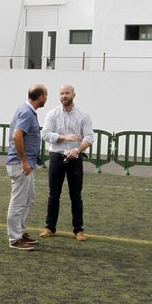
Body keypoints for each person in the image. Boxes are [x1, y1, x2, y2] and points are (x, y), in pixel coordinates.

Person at [40, 85, 94, 241]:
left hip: (75, 158)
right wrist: (64, 137)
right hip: (57, 157)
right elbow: (45, 134)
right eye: (61, 93)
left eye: (67, 93)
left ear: (74, 95)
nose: (64, 96)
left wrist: (76, 150)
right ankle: (50, 227)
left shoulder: (84, 115)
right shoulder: (53, 114)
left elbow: (89, 137)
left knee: (76, 195)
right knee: (53, 194)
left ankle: (78, 230)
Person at [6, 84, 48, 251]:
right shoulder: (26, 112)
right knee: (18, 202)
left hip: (25, 164)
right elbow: (17, 135)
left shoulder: (26, 110)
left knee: (29, 199)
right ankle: (14, 239)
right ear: (41, 97)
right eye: (46, 95)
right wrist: (23, 161)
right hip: (20, 164)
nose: (46, 98)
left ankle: (21, 232)